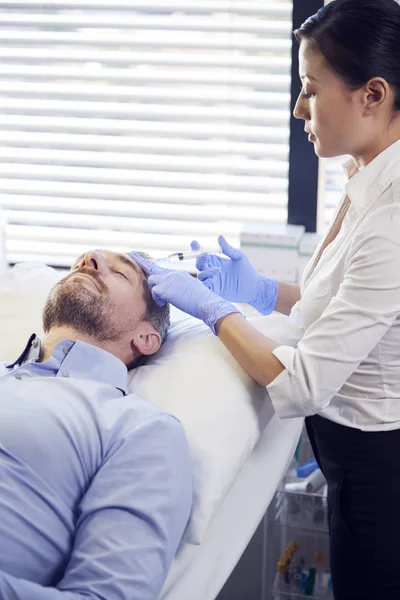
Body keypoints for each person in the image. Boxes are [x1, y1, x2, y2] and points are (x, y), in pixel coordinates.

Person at [132, 1, 400, 598]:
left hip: (380, 471)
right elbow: (349, 308)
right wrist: (260, 292)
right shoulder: (369, 175)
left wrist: (213, 309)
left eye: (310, 89)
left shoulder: (392, 218)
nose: (298, 108)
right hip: (355, 465)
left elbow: (304, 383)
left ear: (372, 94)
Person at [0, 249, 192, 600]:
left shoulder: (139, 429)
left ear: (146, 338)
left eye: (119, 274)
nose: (88, 260)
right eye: (80, 262)